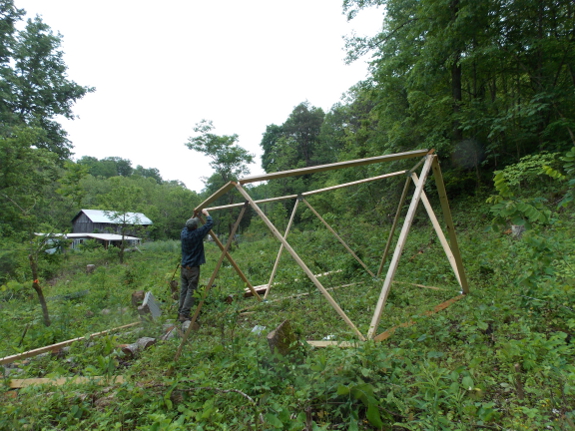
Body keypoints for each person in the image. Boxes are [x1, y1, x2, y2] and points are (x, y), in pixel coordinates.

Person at [178, 208, 214, 322]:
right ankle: (184, 314)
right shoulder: (197, 234)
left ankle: (180, 312)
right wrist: (206, 213)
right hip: (192, 268)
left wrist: (194, 215)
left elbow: (187, 224)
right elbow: (210, 224)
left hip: (184, 267)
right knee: (191, 290)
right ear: (195, 227)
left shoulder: (184, 233)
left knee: (184, 290)